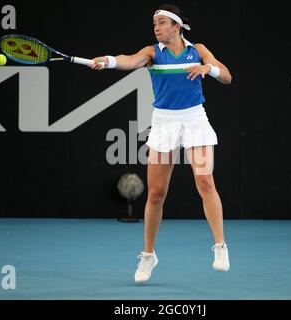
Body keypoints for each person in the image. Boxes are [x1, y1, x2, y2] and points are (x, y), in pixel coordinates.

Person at [90, 4, 233, 284]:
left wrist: (209, 68)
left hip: (195, 121)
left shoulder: (199, 49)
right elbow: (129, 60)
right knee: (156, 193)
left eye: (163, 22)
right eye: (154, 23)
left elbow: (227, 76)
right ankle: (148, 255)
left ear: (177, 27)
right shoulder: (152, 53)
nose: (157, 27)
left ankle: (220, 246)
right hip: (164, 123)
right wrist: (107, 60)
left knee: (205, 182)